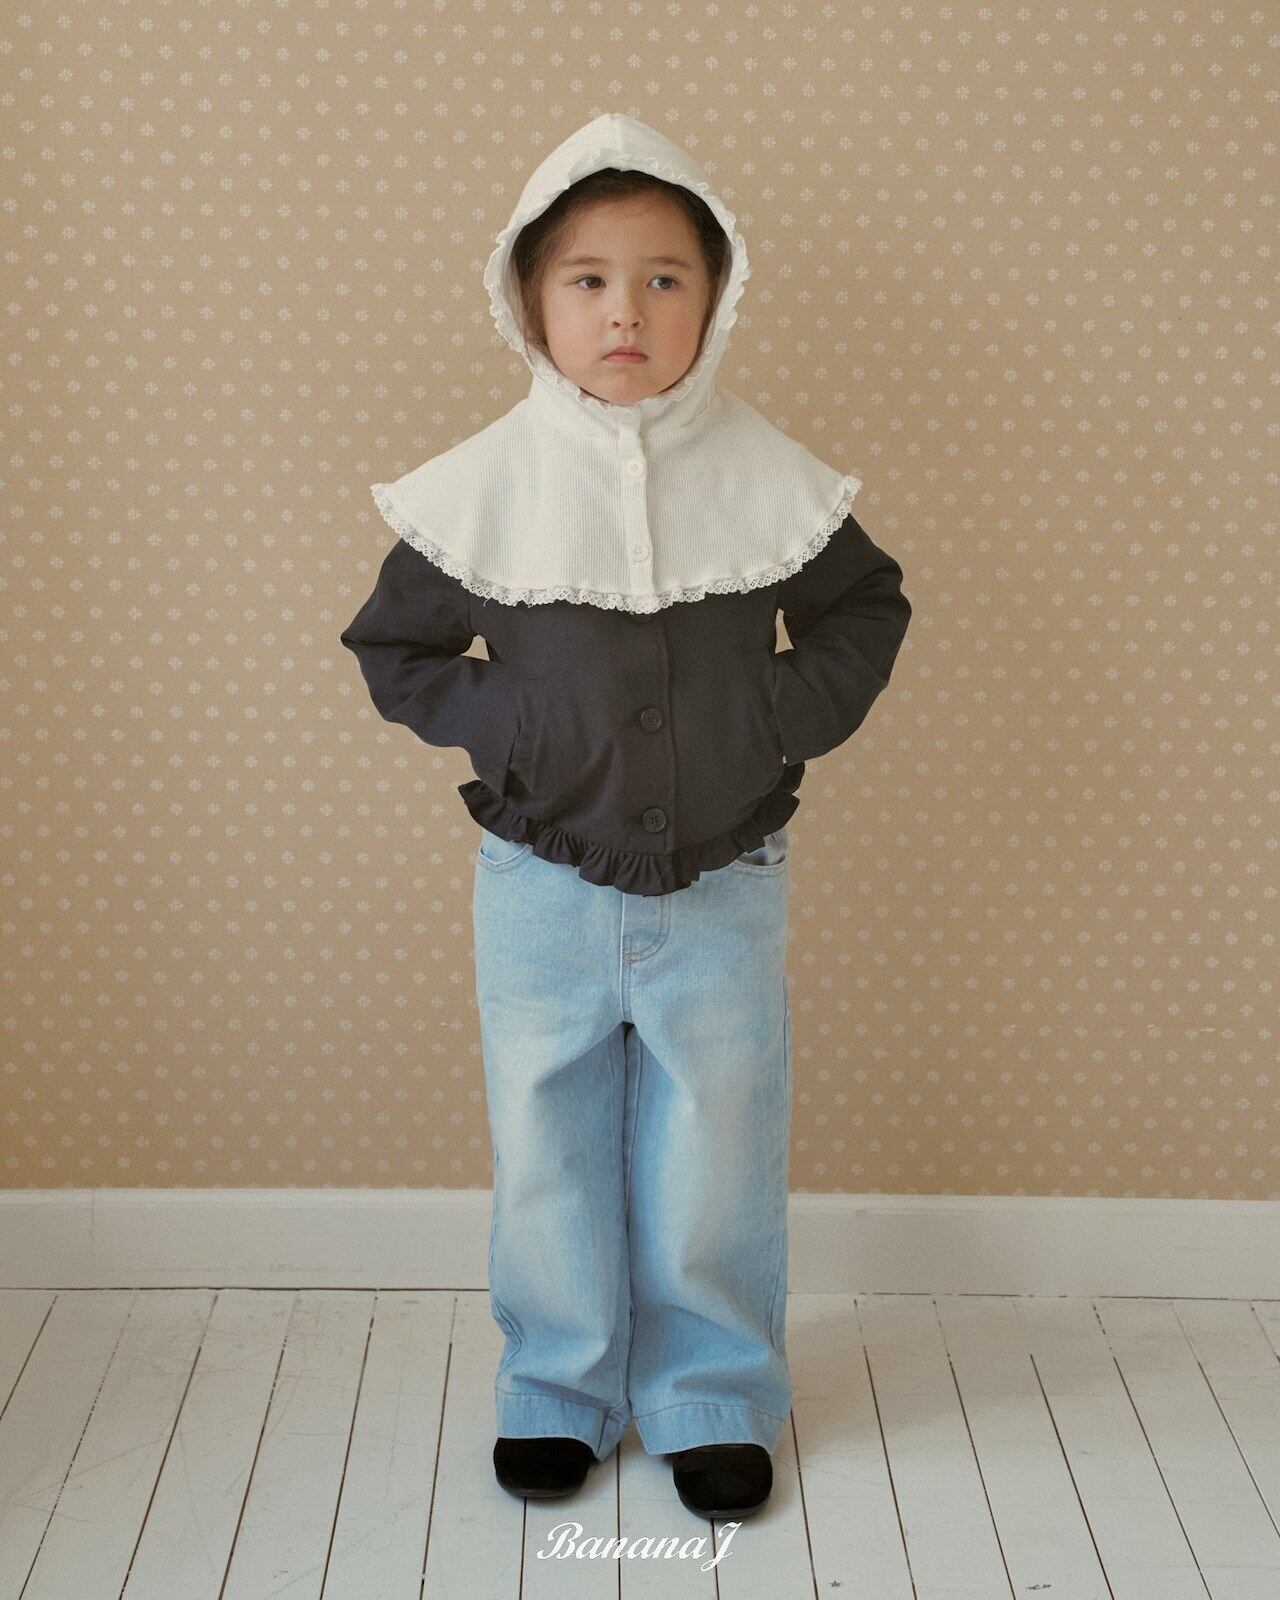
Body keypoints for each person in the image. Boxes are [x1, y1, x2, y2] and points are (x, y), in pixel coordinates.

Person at [340, 113, 911, 1519]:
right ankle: (558, 1383)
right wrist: (514, 724)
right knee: (546, 1132)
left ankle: (711, 1391)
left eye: (665, 279)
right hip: (539, 877)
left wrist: (774, 715)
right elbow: (396, 648)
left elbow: (864, 607)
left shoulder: (766, 474)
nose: (626, 312)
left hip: (728, 873)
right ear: (530, 299)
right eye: (589, 280)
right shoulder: (483, 482)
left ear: (715, 298)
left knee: (717, 1137)